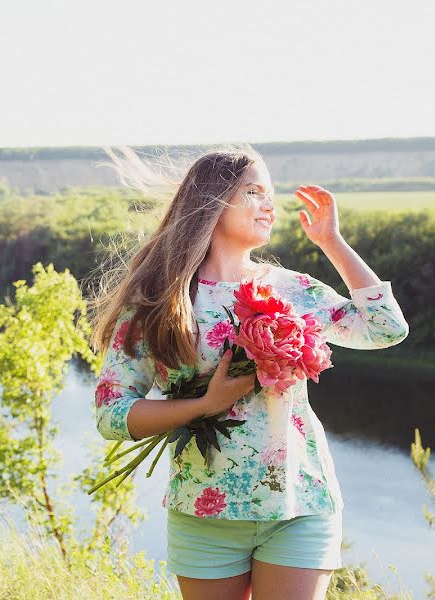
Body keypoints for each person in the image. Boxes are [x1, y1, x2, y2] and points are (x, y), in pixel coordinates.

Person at [88, 144, 410, 600]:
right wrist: (203, 405)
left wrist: (332, 243)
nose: (269, 204)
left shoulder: (293, 289)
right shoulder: (161, 301)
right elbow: (111, 413)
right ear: (212, 202)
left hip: (300, 504)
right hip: (206, 509)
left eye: (271, 193)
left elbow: (386, 328)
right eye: (254, 191)